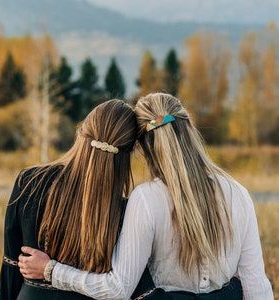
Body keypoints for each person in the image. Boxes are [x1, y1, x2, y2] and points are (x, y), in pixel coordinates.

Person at [18, 93, 274, 300]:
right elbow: (256, 286)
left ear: (143, 147)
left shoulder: (147, 200)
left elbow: (117, 289)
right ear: (191, 126)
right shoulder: (238, 193)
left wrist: (51, 270)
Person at [0, 99, 138, 300]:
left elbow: (10, 266)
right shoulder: (125, 210)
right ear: (127, 156)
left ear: (81, 133)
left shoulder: (30, 182)